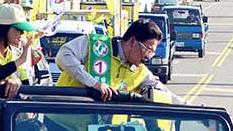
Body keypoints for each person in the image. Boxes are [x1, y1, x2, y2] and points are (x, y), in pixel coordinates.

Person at [54, 19, 185, 104]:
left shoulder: (140, 72)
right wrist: (94, 83)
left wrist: (193, 108)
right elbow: (63, 56)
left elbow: (164, 94)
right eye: (148, 50)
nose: (149, 57)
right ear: (133, 41)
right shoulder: (97, 45)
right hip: (63, 124)